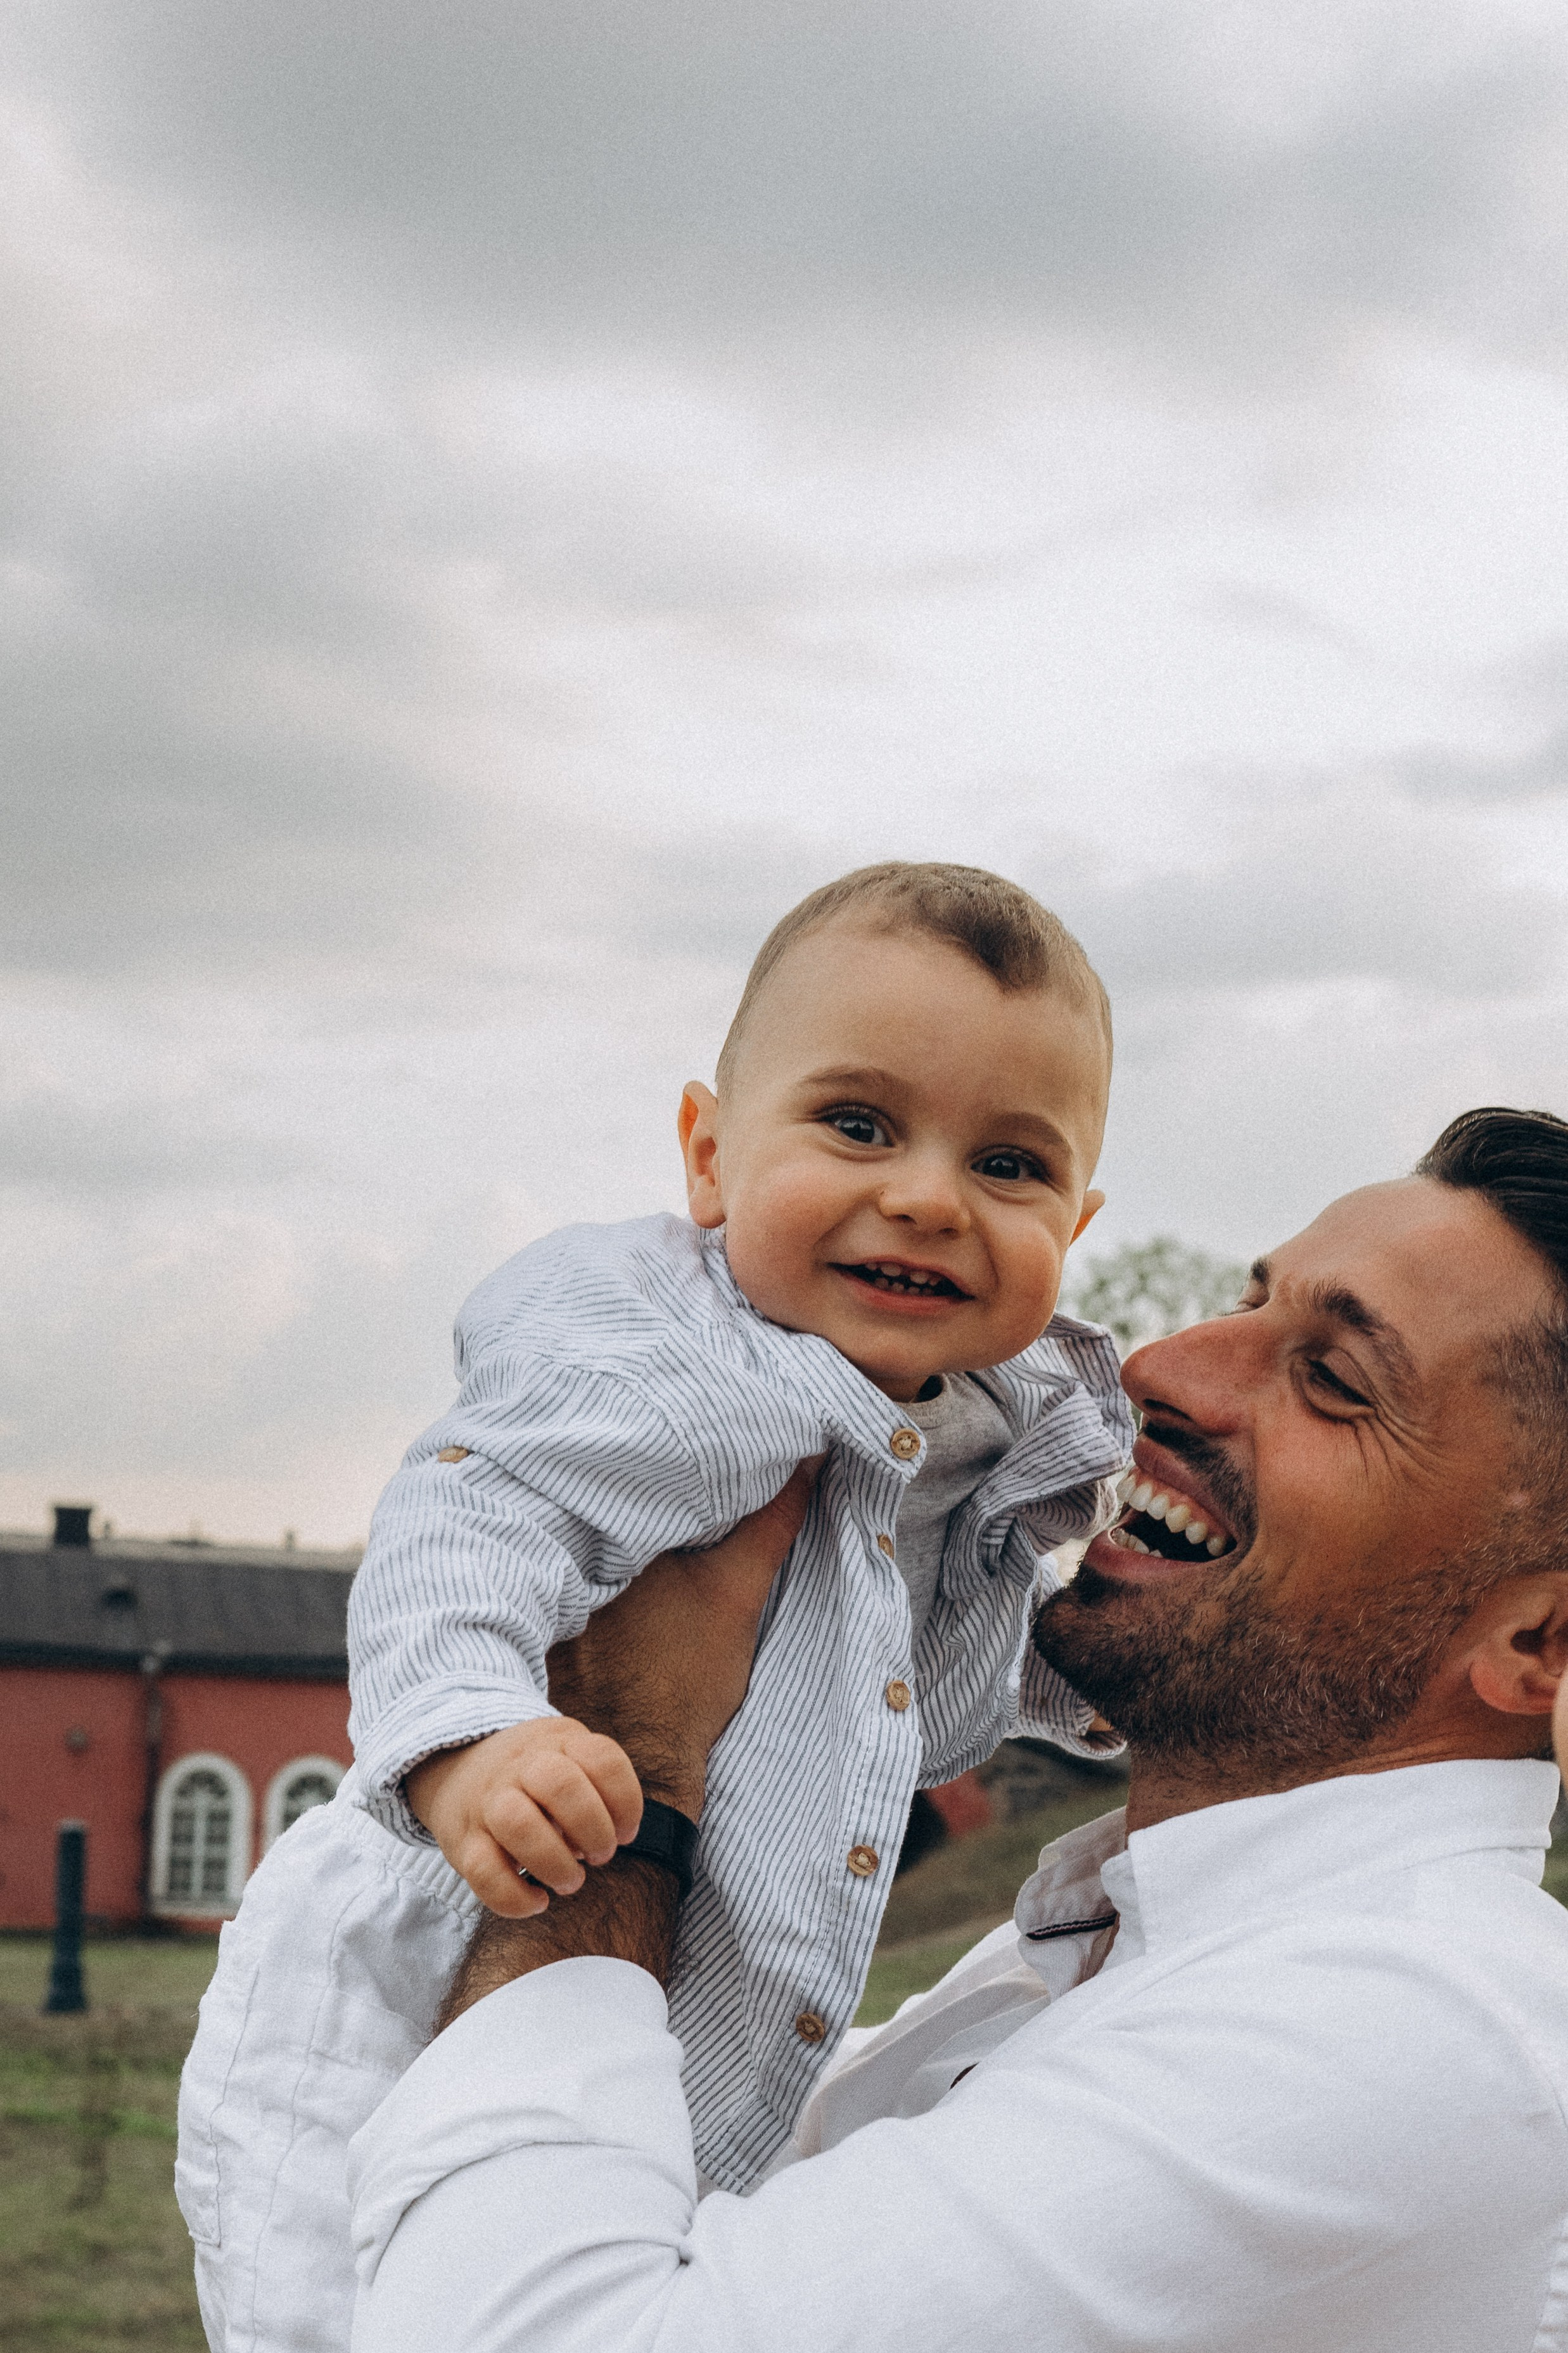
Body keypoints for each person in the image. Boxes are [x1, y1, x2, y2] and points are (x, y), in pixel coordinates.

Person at [348, 1106, 1568, 2353]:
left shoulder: (1398, 2031)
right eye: (1248, 1304)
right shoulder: (1137, 1948)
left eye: (1331, 1379)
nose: (1161, 1366)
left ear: (1540, 1647)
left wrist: (638, 1778)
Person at [177, 861, 1135, 2352]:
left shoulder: (974, 1440)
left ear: (1075, 1219)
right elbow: (465, 1517)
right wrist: (474, 1736)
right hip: (430, 1945)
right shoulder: (659, 1338)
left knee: (587, 2288)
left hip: (689, 2017)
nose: (927, 1195)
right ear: (707, 1156)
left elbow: (905, 1674)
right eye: (858, 1123)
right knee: (345, 2314)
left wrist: (1086, 1686)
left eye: (1007, 1165)